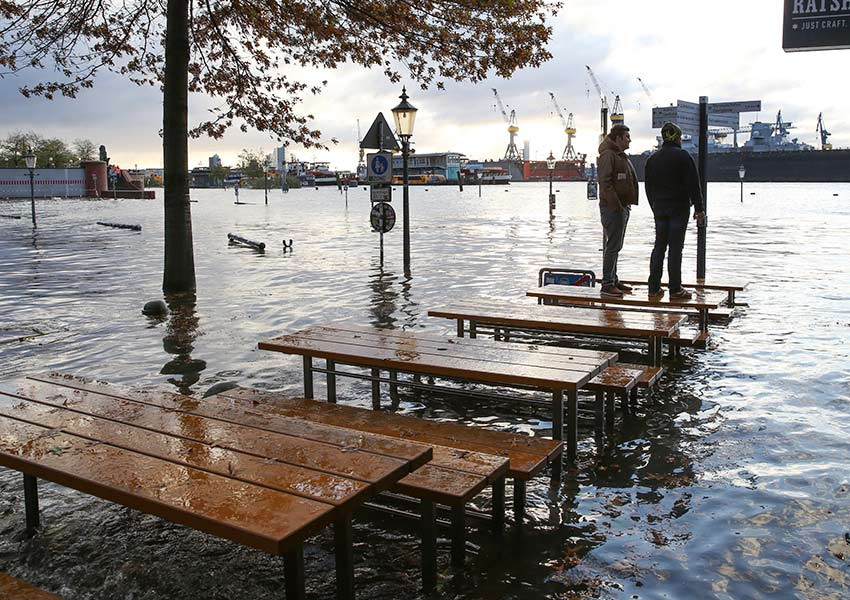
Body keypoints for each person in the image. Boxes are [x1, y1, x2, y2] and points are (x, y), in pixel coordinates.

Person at [644, 122, 706, 300]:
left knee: (659, 247)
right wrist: (699, 208)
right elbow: (694, 184)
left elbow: (648, 187)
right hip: (679, 208)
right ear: (678, 138)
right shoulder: (683, 156)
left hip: (659, 208)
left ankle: (653, 288)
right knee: (675, 249)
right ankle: (675, 289)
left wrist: (654, 206)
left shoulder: (652, 159)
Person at [597, 124, 638, 297]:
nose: (630, 140)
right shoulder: (609, 155)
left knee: (616, 245)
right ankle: (607, 284)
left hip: (621, 207)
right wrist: (616, 206)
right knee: (613, 245)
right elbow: (605, 182)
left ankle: (613, 279)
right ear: (618, 138)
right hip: (613, 208)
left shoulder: (619, 156)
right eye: (627, 137)